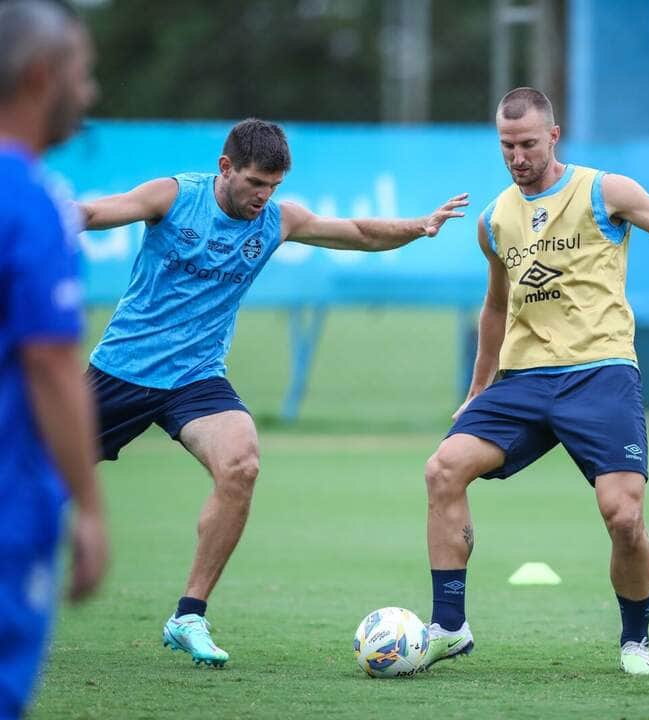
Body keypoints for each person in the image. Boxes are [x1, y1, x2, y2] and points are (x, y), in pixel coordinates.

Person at [78, 118, 468, 667]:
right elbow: (96, 213)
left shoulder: (278, 222)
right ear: (226, 168)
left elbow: (356, 233)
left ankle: (188, 614)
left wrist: (419, 225)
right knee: (31, 477)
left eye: (274, 186)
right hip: (121, 372)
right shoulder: (174, 196)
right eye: (255, 183)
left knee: (241, 465)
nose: (264, 196)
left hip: (195, 378)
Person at [421, 87, 649, 675]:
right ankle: (449, 626)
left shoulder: (605, 191)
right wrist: (478, 388)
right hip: (523, 381)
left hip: (600, 372)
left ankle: (635, 641)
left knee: (623, 516)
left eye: (527, 144)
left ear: (553, 136)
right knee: (443, 469)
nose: (517, 157)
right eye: (506, 146)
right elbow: (496, 308)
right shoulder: (494, 218)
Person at [0, 0, 109, 715]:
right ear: (43, 76)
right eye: (83, 73)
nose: (89, 92)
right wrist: (91, 508)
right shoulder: (32, 198)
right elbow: (49, 363)